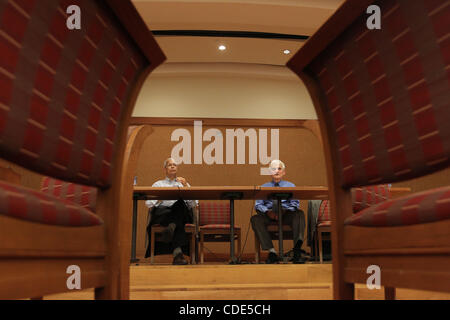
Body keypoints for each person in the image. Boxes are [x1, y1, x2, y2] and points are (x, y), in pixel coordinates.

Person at [251, 159, 306, 264]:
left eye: (279, 169)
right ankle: (272, 252)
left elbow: (295, 204)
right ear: (270, 172)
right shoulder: (263, 187)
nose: (276, 171)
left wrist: (284, 211)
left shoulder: (291, 185)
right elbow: (258, 205)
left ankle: (297, 250)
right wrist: (268, 212)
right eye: (273, 169)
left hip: (286, 214)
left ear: (284, 172)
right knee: (255, 219)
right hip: (269, 215)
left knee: (299, 214)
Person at [145, 158, 197, 265]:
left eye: (174, 165)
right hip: (163, 214)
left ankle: (172, 228)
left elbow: (194, 204)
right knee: (178, 219)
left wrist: (186, 186)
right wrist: (160, 197)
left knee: (180, 204)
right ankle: (177, 254)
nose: (173, 166)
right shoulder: (158, 184)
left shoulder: (183, 184)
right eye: (170, 165)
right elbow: (148, 204)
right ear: (165, 169)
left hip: (180, 212)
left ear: (177, 168)